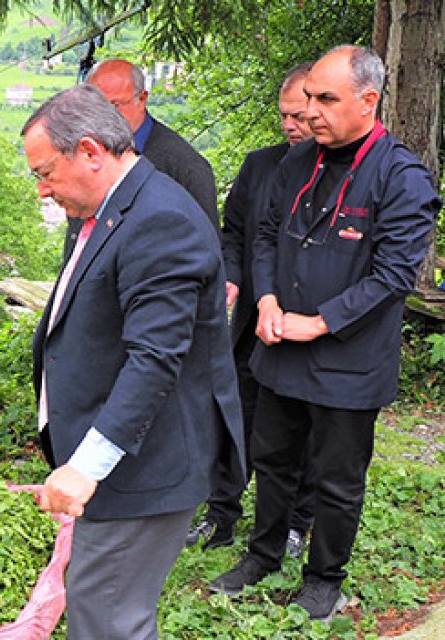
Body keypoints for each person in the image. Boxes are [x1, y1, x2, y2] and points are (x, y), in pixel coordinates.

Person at [210, 45, 440, 622]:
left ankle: (323, 579)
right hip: (280, 345)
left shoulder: (401, 176)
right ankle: (262, 555)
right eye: (308, 96)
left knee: (336, 480)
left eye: (325, 99)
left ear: (368, 101)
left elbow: (393, 275)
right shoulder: (297, 162)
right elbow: (264, 234)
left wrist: (321, 321)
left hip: (349, 360)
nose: (310, 110)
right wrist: (264, 297)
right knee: (272, 458)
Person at [26, 83, 243, 639]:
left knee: (108, 617)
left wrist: (86, 465)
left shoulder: (159, 221)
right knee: (104, 609)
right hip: (122, 458)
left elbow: (153, 361)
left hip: (145, 464)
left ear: (92, 152)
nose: (43, 192)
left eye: (45, 173)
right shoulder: (111, 207)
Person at [188, 63, 319, 554]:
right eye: (285, 115)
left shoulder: (340, 173)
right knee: (235, 418)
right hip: (250, 327)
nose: (290, 125)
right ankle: (222, 514)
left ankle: (293, 524)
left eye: (299, 116)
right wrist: (232, 276)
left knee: (299, 432)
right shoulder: (259, 165)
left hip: (308, 329)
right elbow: (235, 232)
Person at [87, 58, 219, 227]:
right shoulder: (87, 154)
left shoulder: (184, 166)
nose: (103, 115)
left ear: (141, 100)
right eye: (95, 106)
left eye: (114, 105)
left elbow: (206, 245)